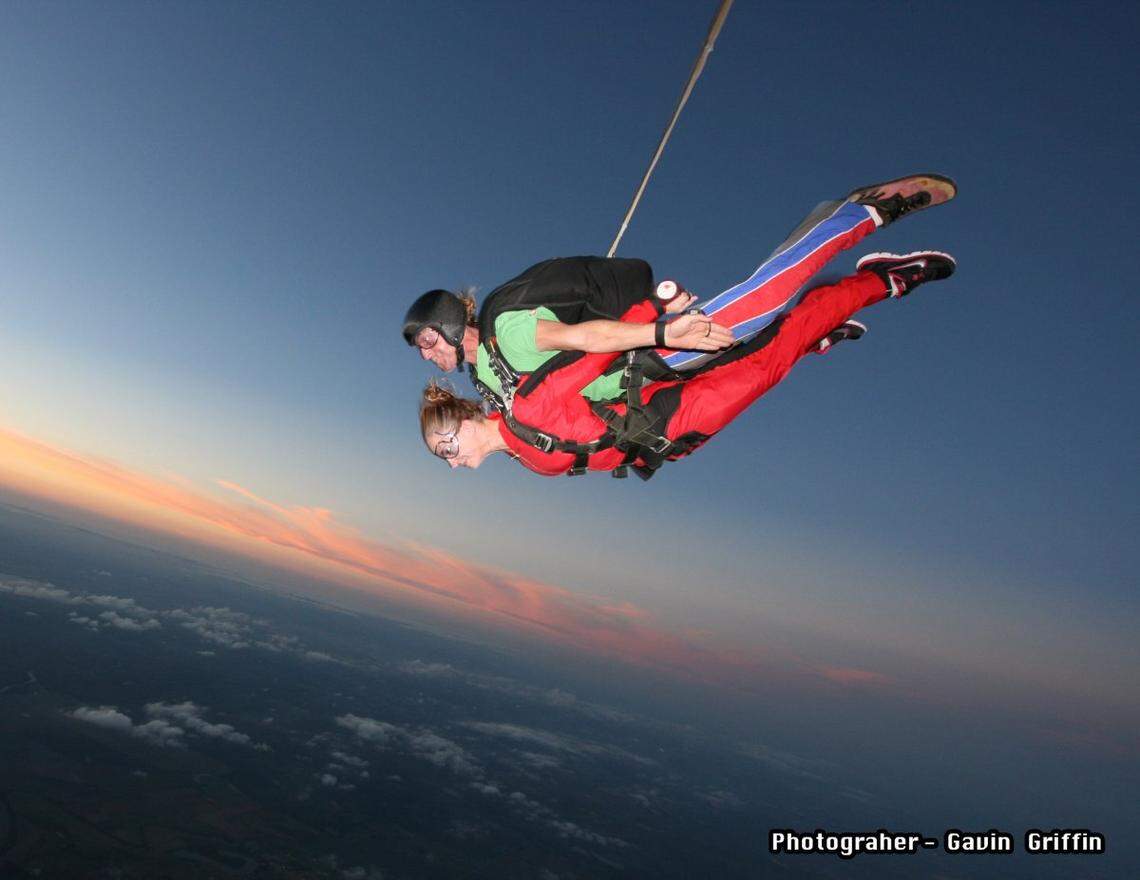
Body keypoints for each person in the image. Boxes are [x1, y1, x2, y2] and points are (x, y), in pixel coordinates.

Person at [403, 174, 956, 413]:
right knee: (753, 358)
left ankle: (860, 213)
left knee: (759, 302)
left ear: (452, 323)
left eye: (428, 340)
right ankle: (823, 321)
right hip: (641, 383)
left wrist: (662, 331)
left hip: (649, 350)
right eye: (423, 349)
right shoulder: (485, 376)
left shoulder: (508, 333)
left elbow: (585, 336)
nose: (428, 354)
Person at [418, 250, 957, 478]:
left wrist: (657, 314)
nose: (450, 462)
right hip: (663, 433)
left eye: (445, 447)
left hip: (664, 397)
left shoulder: (522, 405)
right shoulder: (514, 437)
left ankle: (879, 272)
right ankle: (810, 335)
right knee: (768, 361)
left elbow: (589, 349)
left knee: (767, 352)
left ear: (462, 422)